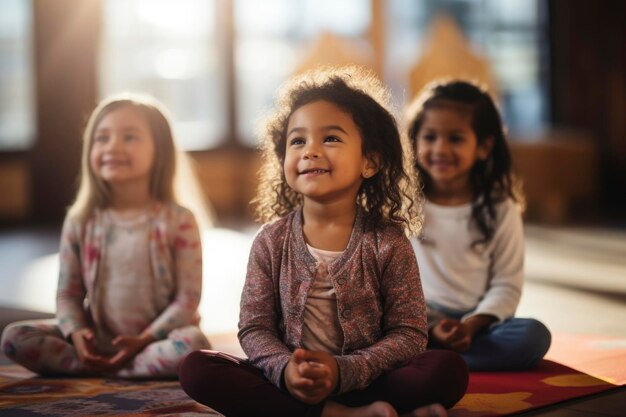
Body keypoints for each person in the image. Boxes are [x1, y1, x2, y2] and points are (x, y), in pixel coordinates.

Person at [179, 66, 468, 417]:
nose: (310, 150)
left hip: (369, 379)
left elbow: (408, 333)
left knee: (447, 369)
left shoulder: (388, 241)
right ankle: (341, 414)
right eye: (297, 140)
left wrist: (342, 371)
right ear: (283, 158)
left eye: (330, 138)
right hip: (292, 384)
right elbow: (255, 327)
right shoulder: (271, 240)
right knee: (197, 368)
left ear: (370, 161)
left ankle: (361, 407)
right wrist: (286, 369)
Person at [0, 93, 210, 378]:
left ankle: (115, 368)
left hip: (155, 341)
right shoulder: (81, 220)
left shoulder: (179, 220)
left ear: (159, 149)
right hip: (97, 338)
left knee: (193, 346)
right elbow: (68, 294)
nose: (112, 147)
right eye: (102, 138)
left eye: (130, 137)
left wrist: (144, 340)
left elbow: (187, 300)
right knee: (14, 337)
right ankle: (98, 362)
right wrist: (76, 334)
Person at [405, 79, 551, 371]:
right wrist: (431, 325)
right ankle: (430, 355)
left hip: (480, 324)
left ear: (483, 147)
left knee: (533, 336)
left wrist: (470, 326)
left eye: (456, 138)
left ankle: (432, 361)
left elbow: (507, 285)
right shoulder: (402, 203)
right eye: (429, 137)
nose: (440, 149)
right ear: (414, 142)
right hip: (416, 318)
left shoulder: (500, 207)